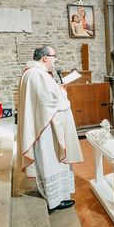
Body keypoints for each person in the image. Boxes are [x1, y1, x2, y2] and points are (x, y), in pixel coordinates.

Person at [17, 46, 84, 213]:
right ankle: (55, 201)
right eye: (54, 56)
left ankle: (53, 196)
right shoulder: (37, 74)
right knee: (52, 161)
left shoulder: (30, 73)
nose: (55, 60)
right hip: (46, 130)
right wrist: (61, 91)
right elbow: (49, 101)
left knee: (48, 162)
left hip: (41, 125)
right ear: (45, 57)